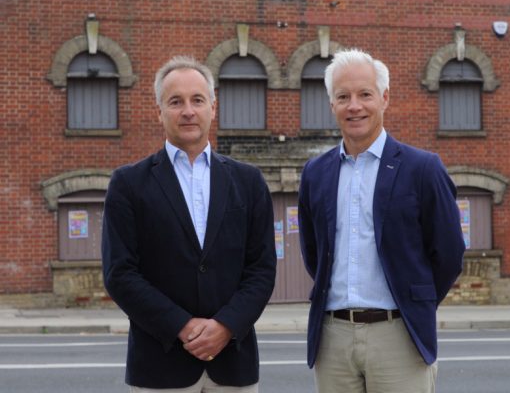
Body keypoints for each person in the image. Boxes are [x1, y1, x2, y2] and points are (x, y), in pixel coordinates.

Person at [102, 56, 276, 392]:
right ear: (159, 111)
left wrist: (225, 326)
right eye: (175, 102)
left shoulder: (249, 181)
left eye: (197, 100)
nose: (188, 111)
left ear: (213, 106)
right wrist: (183, 327)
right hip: (159, 365)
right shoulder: (128, 183)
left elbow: (262, 268)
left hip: (233, 364)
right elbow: (120, 274)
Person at [298, 48, 465, 393]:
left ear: (384, 98)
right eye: (343, 97)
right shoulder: (315, 173)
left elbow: (448, 254)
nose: (354, 105)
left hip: (398, 334)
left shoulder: (423, 169)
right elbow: (314, 253)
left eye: (364, 95)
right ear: (332, 105)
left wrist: (414, 301)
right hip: (333, 339)